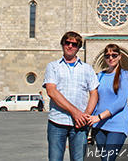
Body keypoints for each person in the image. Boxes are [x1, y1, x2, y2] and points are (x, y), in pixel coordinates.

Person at [43, 31, 99, 161]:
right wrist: (76, 113)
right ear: (62, 44)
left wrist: (85, 115)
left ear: (78, 48)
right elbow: (51, 91)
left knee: (78, 159)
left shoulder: (87, 68)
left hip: (80, 124)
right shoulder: (53, 66)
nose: (70, 46)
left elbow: (94, 93)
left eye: (74, 44)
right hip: (57, 122)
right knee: (55, 159)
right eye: (67, 43)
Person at [88, 44, 128, 161]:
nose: (110, 58)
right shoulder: (100, 75)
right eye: (107, 56)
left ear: (119, 56)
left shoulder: (125, 75)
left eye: (114, 55)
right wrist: (90, 119)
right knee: (105, 159)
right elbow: (95, 99)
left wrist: (99, 117)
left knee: (108, 158)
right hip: (99, 126)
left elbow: (120, 102)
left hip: (117, 125)